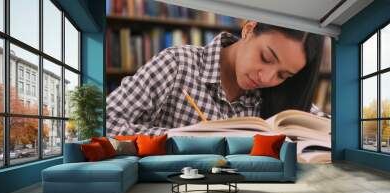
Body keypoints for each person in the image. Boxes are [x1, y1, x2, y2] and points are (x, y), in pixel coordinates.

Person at [107, 21, 324, 136]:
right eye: (266, 57)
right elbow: (105, 123)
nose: (267, 78)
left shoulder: (281, 96)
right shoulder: (178, 63)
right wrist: (183, 139)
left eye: (283, 75)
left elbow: (325, 128)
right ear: (249, 29)